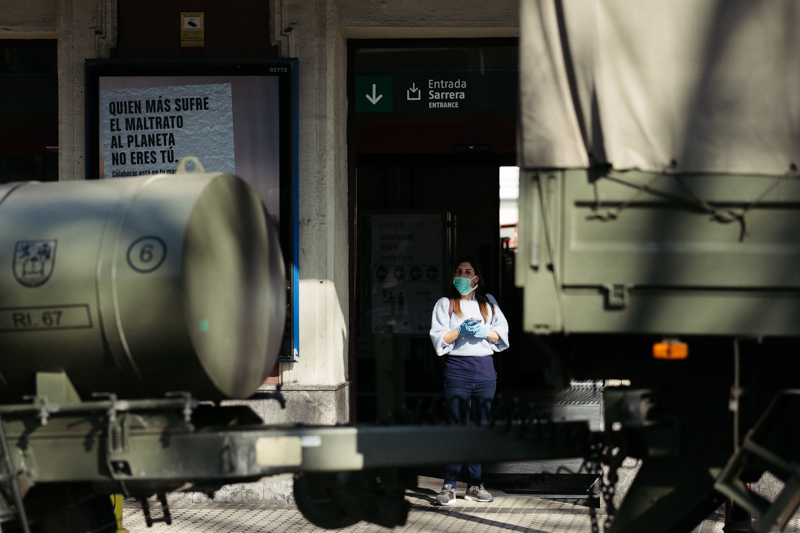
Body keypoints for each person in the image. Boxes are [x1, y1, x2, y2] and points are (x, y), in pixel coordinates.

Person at [429, 256, 510, 506]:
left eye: (468, 272)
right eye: (459, 271)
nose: (462, 276)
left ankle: (475, 484)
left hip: (485, 374)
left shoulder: (488, 304)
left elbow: (501, 335)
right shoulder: (446, 304)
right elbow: (439, 339)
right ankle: (449, 486)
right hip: (457, 373)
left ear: (477, 278)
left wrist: (484, 331)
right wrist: (460, 331)